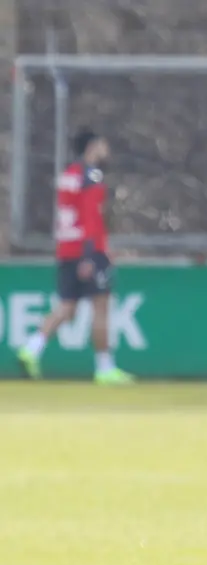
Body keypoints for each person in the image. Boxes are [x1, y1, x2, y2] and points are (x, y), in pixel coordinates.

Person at [17, 129, 134, 384]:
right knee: (100, 306)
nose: (106, 150)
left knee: (67, 306)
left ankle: (32, 348)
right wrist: (91, 255)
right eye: (103, 144)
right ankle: (105, 368)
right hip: (87, 250)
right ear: (92, 146)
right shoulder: (90, 177)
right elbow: (91, 219)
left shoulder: (68, 175)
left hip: (66, 248)